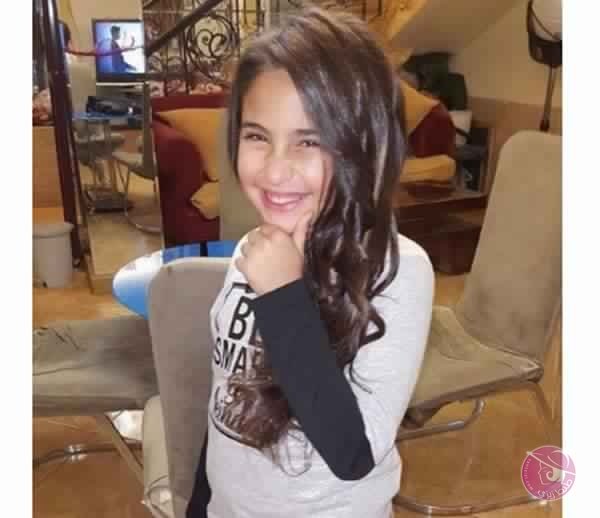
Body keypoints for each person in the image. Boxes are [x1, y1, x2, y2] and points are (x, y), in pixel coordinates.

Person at [187, 7, 434, 518]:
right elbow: (226, 404)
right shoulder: (254, 250)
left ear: (364, 145)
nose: (276, 170)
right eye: (257, 136)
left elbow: (353, 454)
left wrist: (284, 297)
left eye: (310, 141)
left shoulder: (399, 272)